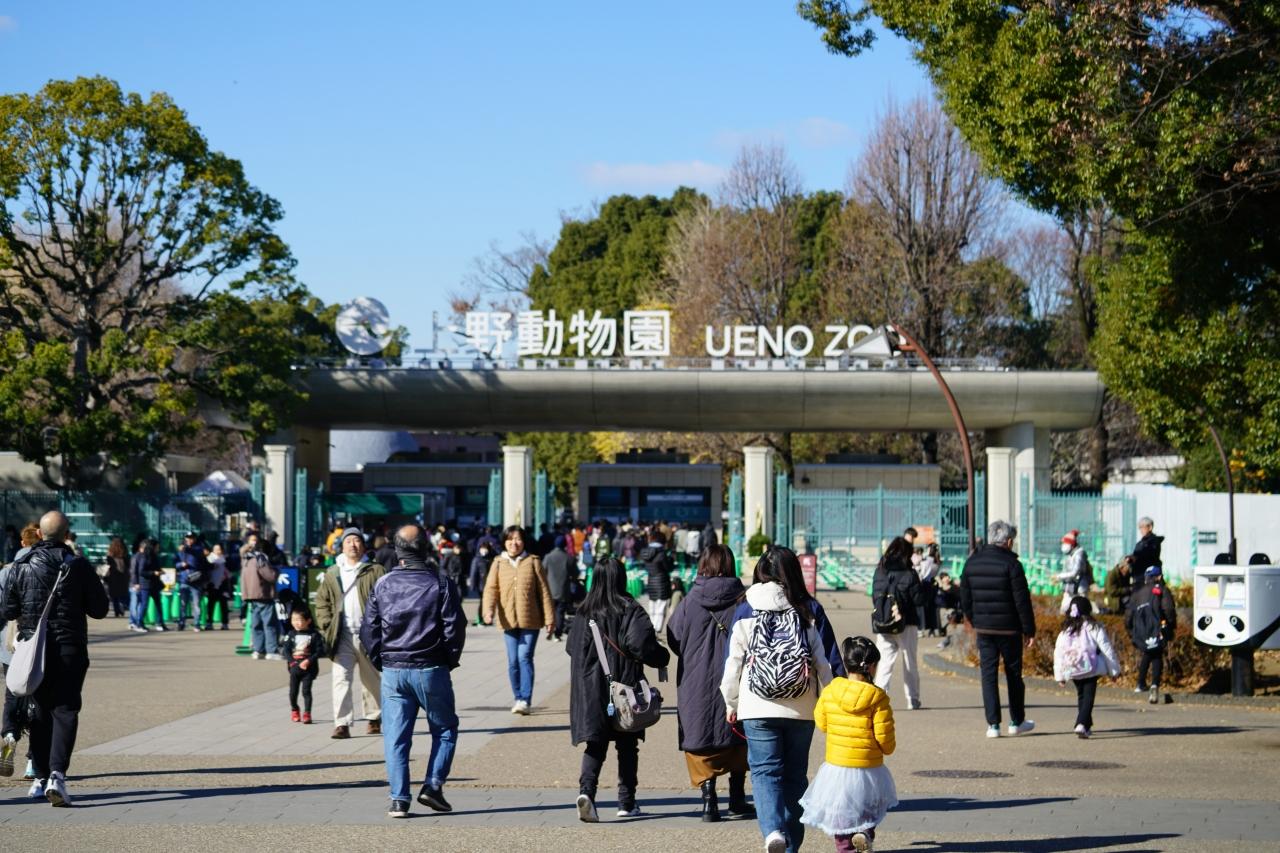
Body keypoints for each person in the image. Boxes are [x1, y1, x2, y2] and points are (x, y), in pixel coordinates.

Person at [722, 546, 835, 853]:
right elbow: (826, 661)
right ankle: (792, 845)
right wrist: (832, 702)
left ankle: (773, 831)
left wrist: (732, 703)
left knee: (764, 772)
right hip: (802, 707)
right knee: (795, 777)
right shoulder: (808, 608)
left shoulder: (745, 607)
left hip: (757, 706)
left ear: (760, 571)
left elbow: (733, 663)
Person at [0, 510, 109, 806]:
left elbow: (8, 610)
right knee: (66, 709)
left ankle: (39, 776)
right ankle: (57, 776)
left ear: (39, 533)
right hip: (68, 645)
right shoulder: (77, 565)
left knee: (38, 710)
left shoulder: (21, 564)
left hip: (33, 647)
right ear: (66, 534)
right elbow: (100, 609)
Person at [360, 524, 466, 818]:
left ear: (397, 550)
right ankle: (433, 785)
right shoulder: (441, 584)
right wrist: (448, 660)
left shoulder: (383, 584)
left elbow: (368, 629)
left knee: (395, 736)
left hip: (394, 668)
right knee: (444, 728)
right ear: (425, 548)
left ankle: (399, 798)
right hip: (430, 665)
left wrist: (381, 659)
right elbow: (454, 628)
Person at [566, 556, 670, 822]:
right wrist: (662, 657)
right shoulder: (630, 608)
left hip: (591, 690)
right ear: (621, 578)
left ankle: (586, 793)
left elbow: (571, 648)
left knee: (595, 744)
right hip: (624, 687)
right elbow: (641, 645)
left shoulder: (583, 612)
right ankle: (627, 802)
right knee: (627, 744)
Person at [665, 544, 753, 822]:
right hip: (736, 680)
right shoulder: (743, 601)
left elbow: (674, 637)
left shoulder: (689, 601)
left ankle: (709, 801)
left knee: (701, 737)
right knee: (738, 735)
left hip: (697, 681)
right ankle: (737, 798)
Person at [800, 636, 898, 853]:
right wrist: (887, 748)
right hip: (868, 765)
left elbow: (822, 723)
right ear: (871, 667)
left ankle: (845, 848)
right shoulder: (878, 698)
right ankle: (864, 833)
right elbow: (885, 738)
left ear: (847, 664)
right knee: (868, 806)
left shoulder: (831, 691)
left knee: (841, 811)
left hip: (837, 766)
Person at [959, 520, 1037, 739]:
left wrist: (974, 619)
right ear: (1009, 541)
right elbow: (1022, 600)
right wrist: (1029, 630)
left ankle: (993, 724)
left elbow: (965, 596)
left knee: (988, 676)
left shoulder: (972, 562)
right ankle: (1016, 721)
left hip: (984, 629)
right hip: (1010, 630)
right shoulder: (1012, 564)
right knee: (1014, 675)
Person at [314, 527, 385, 739]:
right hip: (342, 633)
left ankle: (374, 718)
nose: (353, 545)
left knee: (371, 678)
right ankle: (342, 723)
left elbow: (386, 598)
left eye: (356, 540)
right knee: (340, 679)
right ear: (342, 546)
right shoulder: (332, 572)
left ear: (363, 545)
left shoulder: (375, 570)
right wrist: (327, 624)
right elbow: (322, 601)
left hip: (368, 634)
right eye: (348, 541)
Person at [482, 525, 555, 715]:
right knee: (513, 661)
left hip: (531, 619)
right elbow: (491, 589)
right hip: (508, 619)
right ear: (504, 541)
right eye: (510, 539)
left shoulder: (533, 562)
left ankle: (525, 700)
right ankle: (518, 697)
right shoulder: (498, 563)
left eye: (518, 539)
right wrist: (488, 611)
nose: (514, 543)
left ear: (524, 541)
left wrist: (550, 619)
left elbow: (544, 592)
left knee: (524, 657)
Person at [1053, 596, 1121, 738]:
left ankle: (1086, 726)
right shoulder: (1094, 627)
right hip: (1091, 667)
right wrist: (1114, 671)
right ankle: (1081, 723)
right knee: (1088, 697)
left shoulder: (1065, 631)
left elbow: (1058, 654)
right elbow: (1107, 649)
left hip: (1072, 668)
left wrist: (1060, 676)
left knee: (1082, 696)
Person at [871, 537, 926, 710]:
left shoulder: (880, 571)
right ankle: (912, 699)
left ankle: (879, 699)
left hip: (883, 622)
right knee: (910, 662)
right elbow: (918, 599)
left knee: (884, 663)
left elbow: (874, 596)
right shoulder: (910, 573)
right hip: (906, 622)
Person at [1125, 565, 1176, 705]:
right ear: (1159, 577)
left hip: (1141, 631)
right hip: (1157, 628)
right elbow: (1168, 609)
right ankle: (1154, 685)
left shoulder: (1138, 593)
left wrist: (1130, 631)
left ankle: (1140, 683)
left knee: (1148, 653)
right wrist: (1171, 626)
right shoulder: (1162, 590)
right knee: (1157, 654)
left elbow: (1128, 615)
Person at [280, 605, 325, 723]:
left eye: (299, 620)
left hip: (308, 668)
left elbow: (319, 651)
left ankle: (307, 713)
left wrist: (308, 660)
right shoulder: (291, 634)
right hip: (295, 667)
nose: (295, 622)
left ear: (308, 621)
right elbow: (286, 650)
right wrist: (292, 662)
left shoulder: (314, 635)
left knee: (306, 691)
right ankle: (294, 709)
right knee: (293, 692)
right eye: (293, 619)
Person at [240, 532, 282, 661]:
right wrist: (277, 571)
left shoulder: (247, 559)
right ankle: (271, 650)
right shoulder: (261, 559)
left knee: (256, 625)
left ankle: (258, 650)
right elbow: (270, 576)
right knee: (269, 624)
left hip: (251, 596)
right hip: (263, 594)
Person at [542, 535, 576, 642]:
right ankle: (557, 634)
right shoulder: (568, 558)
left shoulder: (548, 557)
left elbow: (542, 571)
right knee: (560, 613)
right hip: (563, 590)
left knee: (550, 611)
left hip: (550, 590)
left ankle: (549, 629)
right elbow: (575, 574)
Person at [639, 530, 674, 632]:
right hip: (661, 582)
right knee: (660, 608)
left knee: (652, 607)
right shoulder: (661, 553)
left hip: (651, 582)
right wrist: (671, 560)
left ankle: (651, 629)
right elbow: (667, 568)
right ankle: (656, 630)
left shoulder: (646, 552)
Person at [129, 539, 165, 632]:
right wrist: (154, 573)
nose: (158, 548)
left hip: (154, 584)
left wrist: (160, 571)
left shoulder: (154, 556)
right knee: (144, 605)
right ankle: (139, 624)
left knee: (158, 604)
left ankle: (160, 623)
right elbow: (141, 571)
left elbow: (156, 567)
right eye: (157, 547)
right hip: (146, 584)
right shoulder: (144, 557)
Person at [175, 532, 207, 631]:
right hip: (184, 580)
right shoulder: (180, 550)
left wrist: (185, 549)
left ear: (194, 539)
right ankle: (181, 623)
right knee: (183, 603)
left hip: (195, 580)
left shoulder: (198, 549)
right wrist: (180, 564)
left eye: (191, 538)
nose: (189, 540)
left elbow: (201, 561)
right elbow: (175, 563)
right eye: (187, 538)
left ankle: (197, 623)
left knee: (196, 604)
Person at [1055, 530, 1093, 614]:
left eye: (1064, 543)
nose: (1063, 546)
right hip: (1070, 587)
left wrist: (1060, 576)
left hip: (1080, 587)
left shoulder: (1079, 554)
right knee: (1064, 609)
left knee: (1082, 610)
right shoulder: (1070, 555)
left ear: (1071, 544)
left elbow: (1075, 572)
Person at [201, 543, 231, 630]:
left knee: (224, 605)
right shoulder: (209, 559)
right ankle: (209, 623)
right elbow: (205, 569)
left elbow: (230, 570)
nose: (217, 551)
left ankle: (224, 623)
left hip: (223, 584)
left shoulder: (225, 559)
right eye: (215, 549)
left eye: (219, 549)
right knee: (211, 605)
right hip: (211, 584)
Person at [101, 537, 130, 618]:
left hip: (113, 577)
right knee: (122, 593)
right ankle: (122, 606)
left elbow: (107, 565)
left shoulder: (110, 554)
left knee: (114, 595)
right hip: (123, 577)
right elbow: (128, 565)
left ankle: (117, 611)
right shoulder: (125, 554)